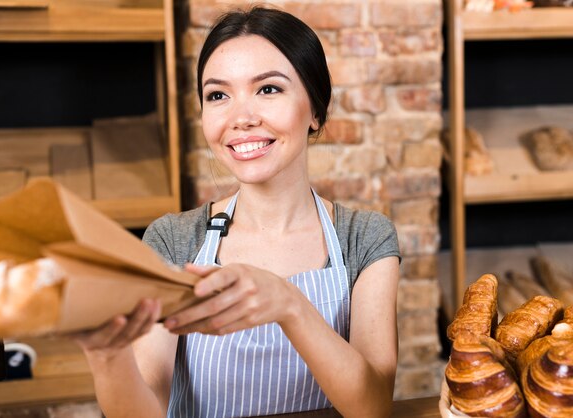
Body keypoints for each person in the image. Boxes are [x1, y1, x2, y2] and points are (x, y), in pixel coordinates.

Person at [74, 6, 400, 418]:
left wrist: (288, 305)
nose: (241, 118)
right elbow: (146, 408)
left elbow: (371, 407)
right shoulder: (174, 240)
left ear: (316, 110)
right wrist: (105, 355)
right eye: (218, 95)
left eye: (268, 89)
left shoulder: (364, 238)